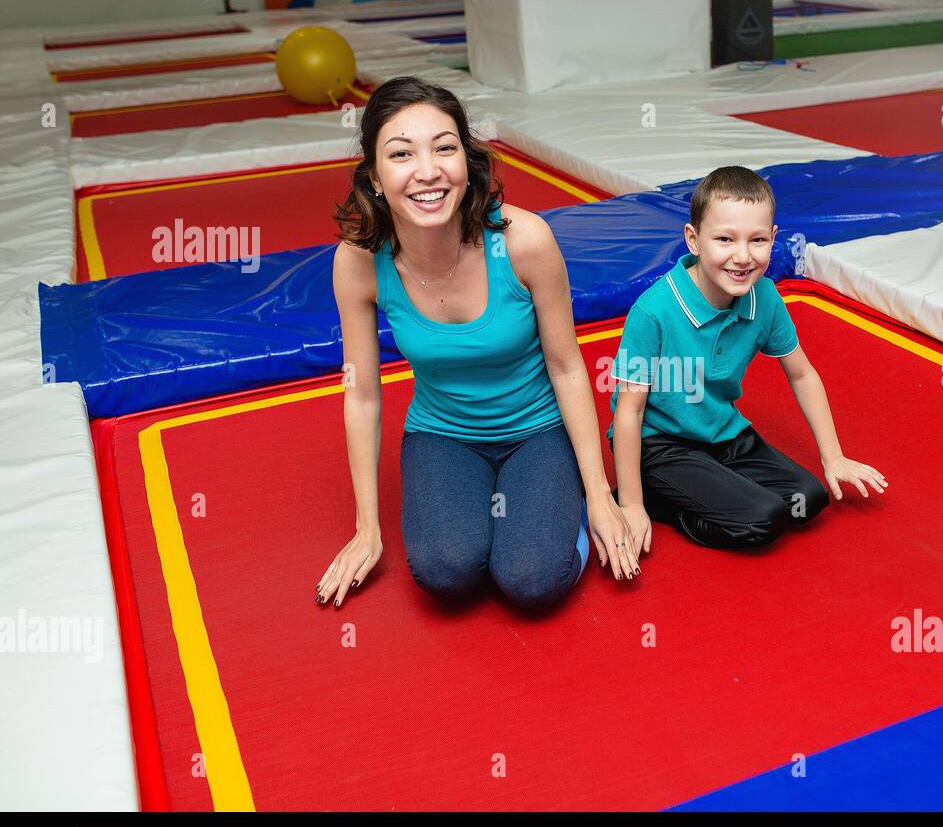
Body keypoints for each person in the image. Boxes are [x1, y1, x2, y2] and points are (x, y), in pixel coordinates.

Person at [317, 76, 637, 613]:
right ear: (375, 177)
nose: (428, 171)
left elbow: (567, 367)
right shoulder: (358, 262)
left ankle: (566, 507)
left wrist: (602, 496)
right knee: (445, 574)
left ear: (468, 163)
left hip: (538, 429)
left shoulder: (523, 240)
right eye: (402, 153)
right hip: (443, 434)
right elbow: (363, 394)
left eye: (445, 148)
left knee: (532, 582)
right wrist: (366, 528)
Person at [609, 165, 888, 554]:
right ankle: (659, 498)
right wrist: (632, 505)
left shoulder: (766, 298)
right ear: (694, 239)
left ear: (773, 238)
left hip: (723, 433)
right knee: (762, 519)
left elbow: (802, 375)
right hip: (661, 443)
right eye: (725, 239)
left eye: (757, 240)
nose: (742, 257)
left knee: (809, 499)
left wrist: (833, 457)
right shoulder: (653, 311)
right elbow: (630, 410)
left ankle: (712, 484)